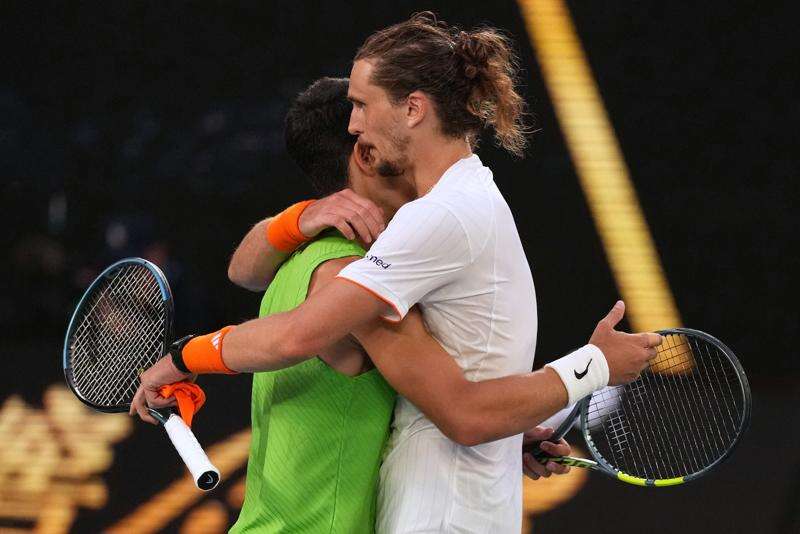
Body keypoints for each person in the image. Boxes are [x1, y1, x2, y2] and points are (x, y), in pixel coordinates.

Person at [133, 13, 661, 533]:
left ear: (413, 109)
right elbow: (461, 410)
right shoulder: (441, 214)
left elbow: (454, 404)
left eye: (362, 105)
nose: (354, 123)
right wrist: (590, 367)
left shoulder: (433, 218)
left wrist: (515, 425)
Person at [223, 77, 573, 533]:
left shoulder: (297, 257)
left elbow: (241, 271)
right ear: (366, 153)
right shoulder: (356, 284)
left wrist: (507, 436)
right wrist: (597, 365)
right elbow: (466, 413)